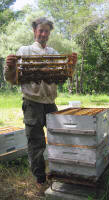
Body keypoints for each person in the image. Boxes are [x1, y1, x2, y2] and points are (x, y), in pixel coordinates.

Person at [4, 17, 77, 195]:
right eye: (40, 30)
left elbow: (63, 75)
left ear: (49, 34)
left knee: (59, 138)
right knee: (36, 142)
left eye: (46, 31)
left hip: (50, 103)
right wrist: (10, 66)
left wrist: (71, 65)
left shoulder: (53, 52)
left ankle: (59, 171)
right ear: (34, 31)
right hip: (32, 104)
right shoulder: (25, 50)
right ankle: (40, 179)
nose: (43, 34)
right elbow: (11, 79)